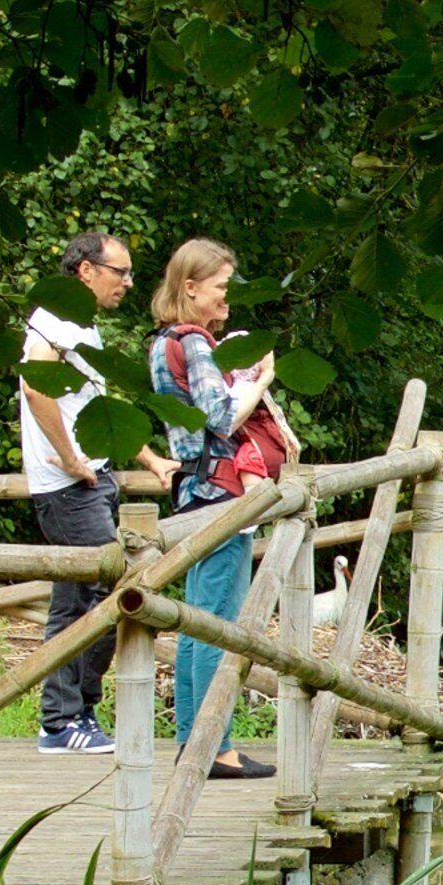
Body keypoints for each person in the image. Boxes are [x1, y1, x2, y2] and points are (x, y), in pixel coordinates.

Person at [149, 237, 300, 780]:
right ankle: (214, 747)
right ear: (190, 288)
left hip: (194, 489)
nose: (227, 300)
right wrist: (261, 380)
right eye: (220, 289)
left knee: (197, 622)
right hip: (220, 494)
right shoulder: (193, 342)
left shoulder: (164, 341)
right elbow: (219, 415)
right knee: (217, 624)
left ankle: (197, 742)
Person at [21, 230, 173, 754]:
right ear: (86, 270)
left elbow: (91, 408)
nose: (128, 283)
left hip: (91, 481)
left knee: (87, 598)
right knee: (102, 596)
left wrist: (150, 459)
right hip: (67, 486)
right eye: (120, 272)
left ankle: (72, 716)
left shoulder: (83, 328)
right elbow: (36, 386)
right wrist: (68, 458)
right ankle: (62, 721)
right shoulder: (54, 321)